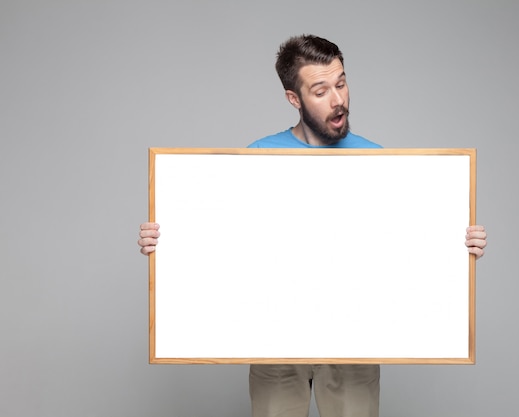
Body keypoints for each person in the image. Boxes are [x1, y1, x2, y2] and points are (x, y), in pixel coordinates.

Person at [138, 34, 488, 417]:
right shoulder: (258, 156)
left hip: (355, 342)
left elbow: (402, 251)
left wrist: (458, 245)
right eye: (321, 90)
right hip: (275, 341)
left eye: (341, 83)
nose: (338, 100)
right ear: (294, 98)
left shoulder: (379, 161)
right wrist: (167, 241)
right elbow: (228, 245)